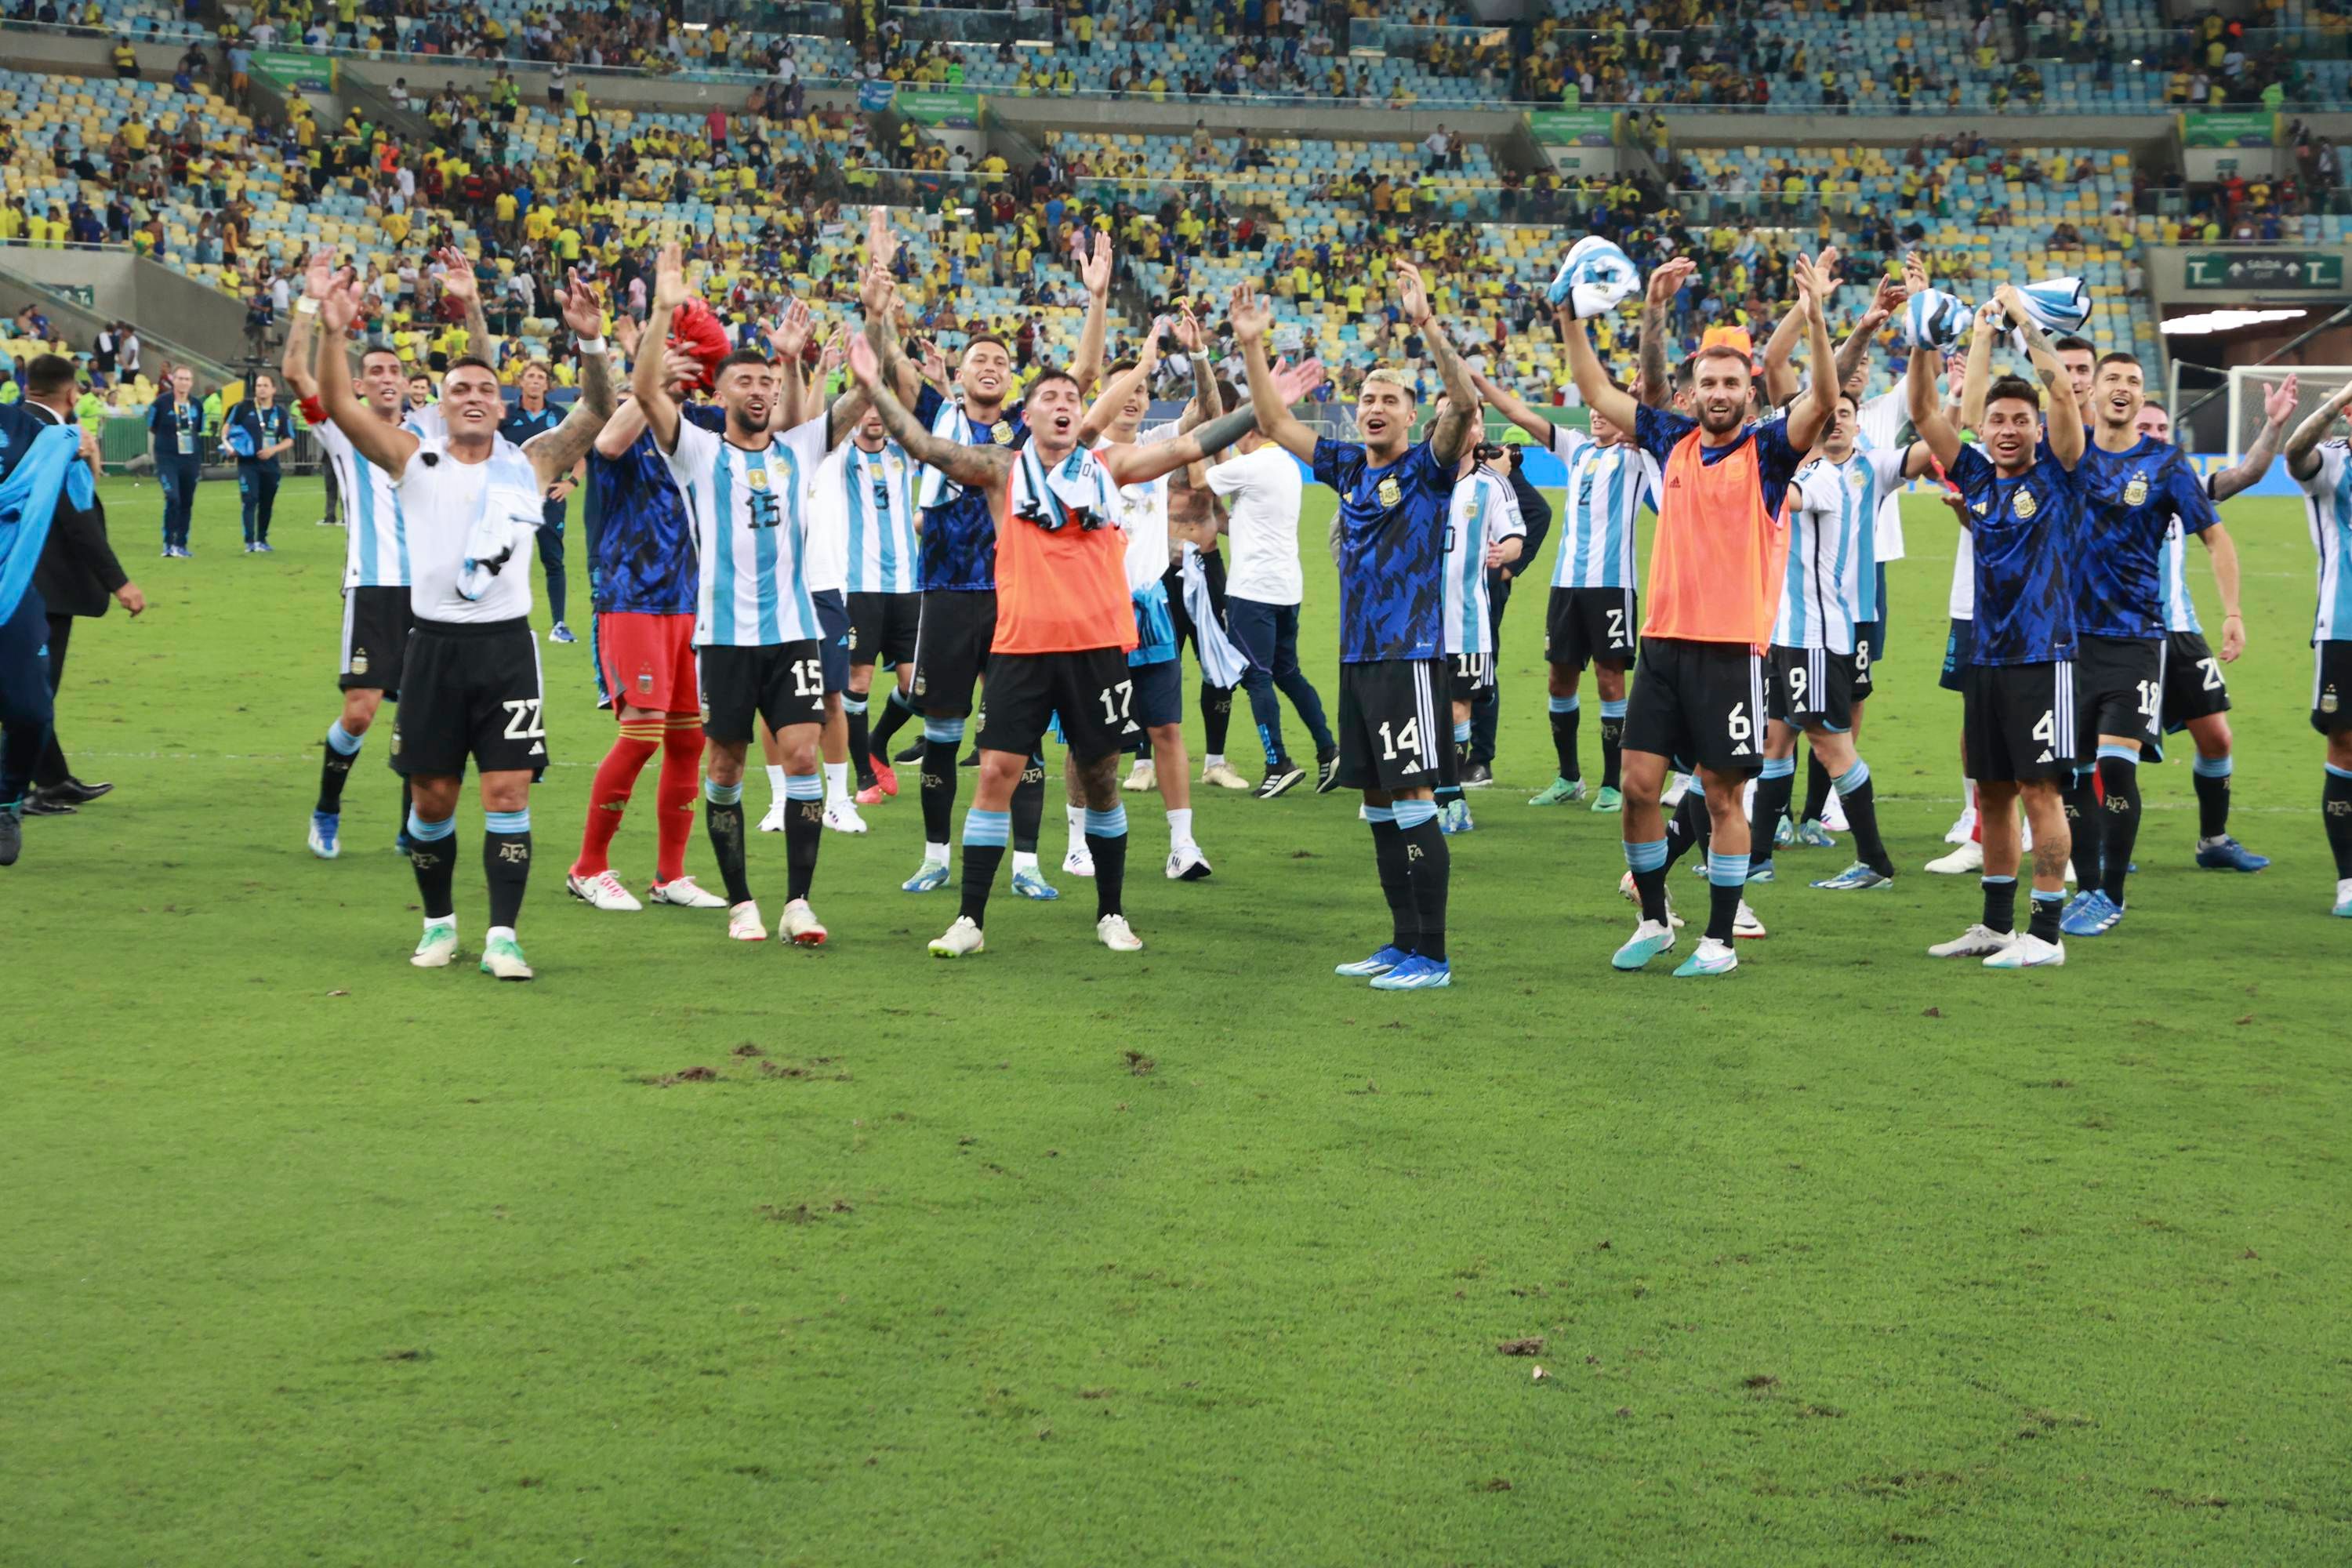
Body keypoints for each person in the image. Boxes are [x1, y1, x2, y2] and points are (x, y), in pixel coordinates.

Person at [851, 321, 1259, 959]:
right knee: (996, 772)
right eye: (1051, 397)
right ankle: (970, 920)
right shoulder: (1000, 469)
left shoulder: (1110, 466)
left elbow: (1193, 444)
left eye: (1072, 398)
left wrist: (1263, 402)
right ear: (1029, 415)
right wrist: (874, 385)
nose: (1064, 404)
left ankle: (1112, 913)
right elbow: (929, 447)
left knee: (1101, 778)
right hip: (1020, 648)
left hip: (1098, 650)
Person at [310, 261, 615, 982]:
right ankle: (440, 923)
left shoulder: (532, 462)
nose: (474, 398)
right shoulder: (414, 460)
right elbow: (337, 404)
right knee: (431, 797)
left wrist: (594, 345)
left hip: (507, 651)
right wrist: (330, 335)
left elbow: (598, 411)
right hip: (433, 651)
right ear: (440, 408)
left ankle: (504, 935)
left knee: (507, 794)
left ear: (501, 406)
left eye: (486, 389)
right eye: (460, 391)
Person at [1569, 253, 1837, 978]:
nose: (1718, 393)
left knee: (1722, 796)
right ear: (1692, 392)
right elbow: (1594, 384)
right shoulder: (1670, 440)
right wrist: (1573, 311)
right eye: (1707, 383)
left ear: (1749, 391)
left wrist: (1815, 322)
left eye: (1731, 383)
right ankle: (1655, 920)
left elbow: (1823, 404)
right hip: (1660, 645)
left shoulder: (1772, 453)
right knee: (1637, 789)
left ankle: (1717, 940)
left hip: (1731, 653)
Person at [1233, 264, 1479, 991]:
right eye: (1368, 398)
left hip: (1409, 659)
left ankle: (1433, 956)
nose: (1375, 407)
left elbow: (1463, 402)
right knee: (1376, 805)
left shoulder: (1431, 470)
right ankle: (1403, 943)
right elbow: (1274, 423)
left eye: (1390, 400)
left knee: (1411, 801)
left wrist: (1427, 323)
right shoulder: (1347, 469)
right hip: (1359, 660)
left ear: (1411, 416)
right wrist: (1252, 346)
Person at [865, 219, 1108, 895]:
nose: (992, 366)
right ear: (961, 372)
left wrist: (1095, 299)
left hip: (1015, 597)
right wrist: (879, 309)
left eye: (1002, 360)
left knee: (1021, 736)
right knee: (942, 730)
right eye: (980, 360)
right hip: (944, 591)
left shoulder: (1028, 433)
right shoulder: (937, 413)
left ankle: (1026, 864)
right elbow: (886, 369)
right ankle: (937, 855)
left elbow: (1082, 375)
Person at [635, 245, 849, 947]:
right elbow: (643, 395)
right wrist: (664, 308)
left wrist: (860, 327)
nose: (757, 391)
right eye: (745, 381)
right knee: (723, 768)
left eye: (766, 380)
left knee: (802, 758)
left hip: (793, 635)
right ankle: (740, 901)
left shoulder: (802, 449)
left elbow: (865, 398)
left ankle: (798, 903)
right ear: (722, 393)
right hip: (723, 639)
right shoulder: (695, 450)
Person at [1912, 292, 2086, 968]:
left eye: (2021, 419)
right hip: (1987, 656)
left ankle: (2045, 935)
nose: (2008, 428)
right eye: (1997, 420)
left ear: (2037, 429)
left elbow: (2066, 400)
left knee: (2042, 792)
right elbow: (1928, 412)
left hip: (2045, 658)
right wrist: (1940, 337)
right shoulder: (1977, 477)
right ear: (1982, 429)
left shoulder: (2060, 476)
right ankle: (1993, 925)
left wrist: (2018, 319)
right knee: (1992, 794)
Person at [2056, 347, 2224, 939]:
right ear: (2094, 392)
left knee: (2115, 765)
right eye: (2113, 380)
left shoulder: (2166, 464)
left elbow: (2215, 536)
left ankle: (2112, 895)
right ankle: (2088, 886)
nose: (2122, 388)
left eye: (2133, 380)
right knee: (2072, 773)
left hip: (2135, 639)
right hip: (2070, 643)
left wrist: (2232, 613)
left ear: (2141, 393)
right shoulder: (2070, 452)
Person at [567, 322, 724, 916]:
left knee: (690, 740)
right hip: (631, 599)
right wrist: (656, 384)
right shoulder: (626, 429)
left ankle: (671, 875)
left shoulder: (700, 432)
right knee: (640, 735)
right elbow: (605, 444)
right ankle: (588, 868)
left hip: (689, 603)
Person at [1748, 387, 1929, 890]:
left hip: (1817, 637)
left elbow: (1782, 498)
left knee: (1830, 746)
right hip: (1786, 632)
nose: (1830, 424)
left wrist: (1743, 455)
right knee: (1774, 740)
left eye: (1840, 416)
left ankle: (1874, 861)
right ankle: (1758, 856)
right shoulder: (1808, 468)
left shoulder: (1826, 478)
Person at [281, 255, 414, 860]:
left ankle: (415, 828)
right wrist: (309, 307)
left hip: (436, 594)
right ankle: (326, 810)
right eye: (376, 371)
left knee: (423, 718)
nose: (387, 378)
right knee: (360, 713)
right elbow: (294, 373)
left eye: (396, 371)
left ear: (409, 385)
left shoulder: (433, 436)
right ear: (359, 384)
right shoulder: (343, 431)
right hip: (375, 588)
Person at [1474, 364, 1650, 811]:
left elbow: (1659, 419)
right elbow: (1521, 415)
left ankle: (1613, 782)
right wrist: (1482, 384)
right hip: (1566, 583)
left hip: (1612, 585)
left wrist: (1644, 402)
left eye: (1606, 408)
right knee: (1559, 680)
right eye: (1593, 407)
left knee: (1611, 682)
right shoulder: (1576, 450)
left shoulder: (1637, 455)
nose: (1596, 415)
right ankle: (1568, 777)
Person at [1086, 322, 1218, 880]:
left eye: (1143, 389)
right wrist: (1138, 365)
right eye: (1127, 389)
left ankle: (1183, 845)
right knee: (1094, 739)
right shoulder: (1085, 451)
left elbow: (1207, 412)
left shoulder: (1159, 444)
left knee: (1165, 728)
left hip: (1151, 608)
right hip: (1095, 611)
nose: (1137, 398)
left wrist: (1200, 355)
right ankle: (1079, 841)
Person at [2134, 391, 2278, 873]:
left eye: (2160, 429)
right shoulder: (2106, 482)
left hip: (2181, 632)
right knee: (2118, 748)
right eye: (2145, 428)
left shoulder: (2182, 483)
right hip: (2127, 633)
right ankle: (2101, 848)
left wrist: (2273, 425)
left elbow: (2248, 474)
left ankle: (2213, 841)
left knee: (2217, 738)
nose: (2155, 436)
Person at [4, 355, 140, 824]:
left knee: (34, 692)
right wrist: (119, 583)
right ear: (70, 393)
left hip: (20, 581)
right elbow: (77, 520)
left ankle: (54, 779)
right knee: (34, 694)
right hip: (44, 587)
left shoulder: (16, 431)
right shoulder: (52, 440)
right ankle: (20, 794)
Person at [1204, 361, 1337, 798]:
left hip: (1252, 590)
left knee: (1255, 676)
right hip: (1286, 586)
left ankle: (1278, 761)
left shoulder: (1251, 465)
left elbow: (1197, 476)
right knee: (1288, 672)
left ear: (1246, 429)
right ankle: (1328, 750)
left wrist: (1212, 435)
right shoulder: (1283, 463)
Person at [0, 390, 103, 866]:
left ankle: (6, 802)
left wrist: (80, 452)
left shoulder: (21, 429)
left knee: (33, 713)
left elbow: (77, 491)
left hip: (11, 586)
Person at [1428, 407, 1525, 835]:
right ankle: (1414, 790)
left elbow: (1515, 537)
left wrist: (1506, 551)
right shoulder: (1419, 478)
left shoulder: (1493, 485)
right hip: (1417, 622)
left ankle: (1451, 796)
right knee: (1421, 707)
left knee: (1458, 707)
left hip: (1467, 620)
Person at [2283, 378, 2352, 917]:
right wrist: (2335, 400)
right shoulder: (2331, 461)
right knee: (2345, 746)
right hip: (2343, 627)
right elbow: (2294, 451)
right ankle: (2349, 881)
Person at [499, 360, 581, 643]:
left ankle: (559, 624)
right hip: (512, 502)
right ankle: (504, 621)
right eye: (530, 376)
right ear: (520, 382)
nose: (535, 381)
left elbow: (580, 453)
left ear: (548, 385)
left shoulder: (559, 416)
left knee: (553, 561)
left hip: (550, 501)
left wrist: (572, 482)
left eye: (540, 377)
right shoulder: (505, 415)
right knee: (504, 560)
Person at [223, 370, 294, 553]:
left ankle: (262, 539)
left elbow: (289, 439)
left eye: (265, 386)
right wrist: (229, 446)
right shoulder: (242, 408)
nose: (261, 389)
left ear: (273, 390)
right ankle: (249, 542)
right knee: (250, 499)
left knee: (266, 502)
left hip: (270, 465)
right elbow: (226, 429)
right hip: (248, 463)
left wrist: (273, 450)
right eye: (258, 386)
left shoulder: (280, 413)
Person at [147, 365, 202, 556]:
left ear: (192, 383)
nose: (184, 383)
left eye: (187, 379)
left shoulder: (197, 405)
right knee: (173, 498)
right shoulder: (160, 403)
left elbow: (198, 429)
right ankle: (168, 544)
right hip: (167, 459)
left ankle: (181, 544)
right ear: (173, 380)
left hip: (190, 460)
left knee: (187, 502)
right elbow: (152, 427)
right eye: (180, 378)